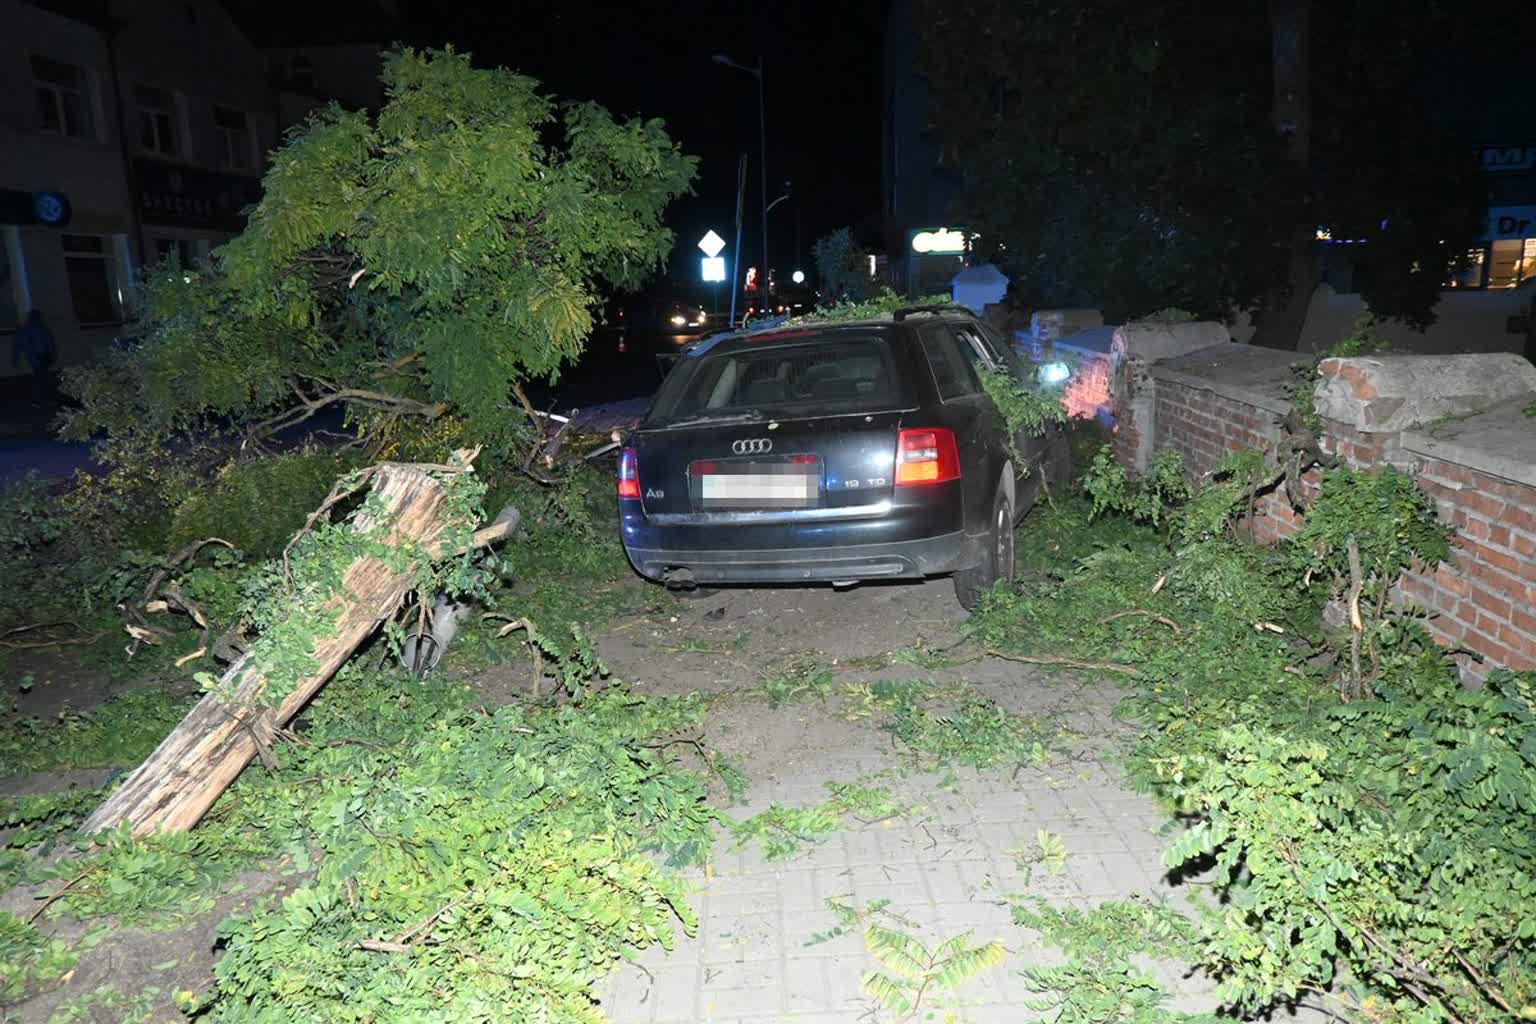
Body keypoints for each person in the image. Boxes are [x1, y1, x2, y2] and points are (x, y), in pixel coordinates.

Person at [12, 309, 56, 407]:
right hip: (40, 356)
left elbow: (19, 345)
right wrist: (52, 354)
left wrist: (16, 359)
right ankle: (40, 400)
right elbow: (49, 342)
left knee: (41, 378)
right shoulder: (38, 328)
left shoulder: (32, 328)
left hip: (40, 357)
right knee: (41, 379)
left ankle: (41, 400)